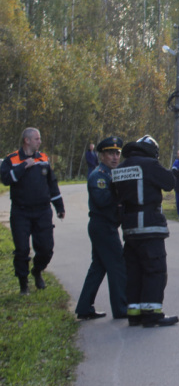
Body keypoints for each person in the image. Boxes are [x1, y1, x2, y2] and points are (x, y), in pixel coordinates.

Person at [111, 135, 178, 327]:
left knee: (134, 272)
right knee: (155, 270)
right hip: (149, 226)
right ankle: (152, 314)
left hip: (129, 228)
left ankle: (134, 314)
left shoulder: (120, 168)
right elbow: (169, 183)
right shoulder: (149, 164)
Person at [0, 128, 65, 294]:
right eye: (37, 138)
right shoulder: (11, 159)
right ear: (27, 140)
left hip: (43, 212)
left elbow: (52, 183)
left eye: (39, 138)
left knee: (46, 249)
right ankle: (23, 284)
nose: (40, 141)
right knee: (22, 250)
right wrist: (23, 166)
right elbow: (5, 180)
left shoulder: (43, 158)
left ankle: (37, 270)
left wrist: (59, 207)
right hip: (21, 212)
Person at [75, 136, 127, 321]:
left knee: (98, 267)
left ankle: (84, 307)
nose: (115, 157)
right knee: (117, 265)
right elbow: (103, 200)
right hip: (103, 225)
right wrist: (119, 194)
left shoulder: (112, 174)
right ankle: (121, 308)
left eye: (117, 153)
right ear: (102, 156)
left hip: (106, 225)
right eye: (110, 153)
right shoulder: (99, 175)